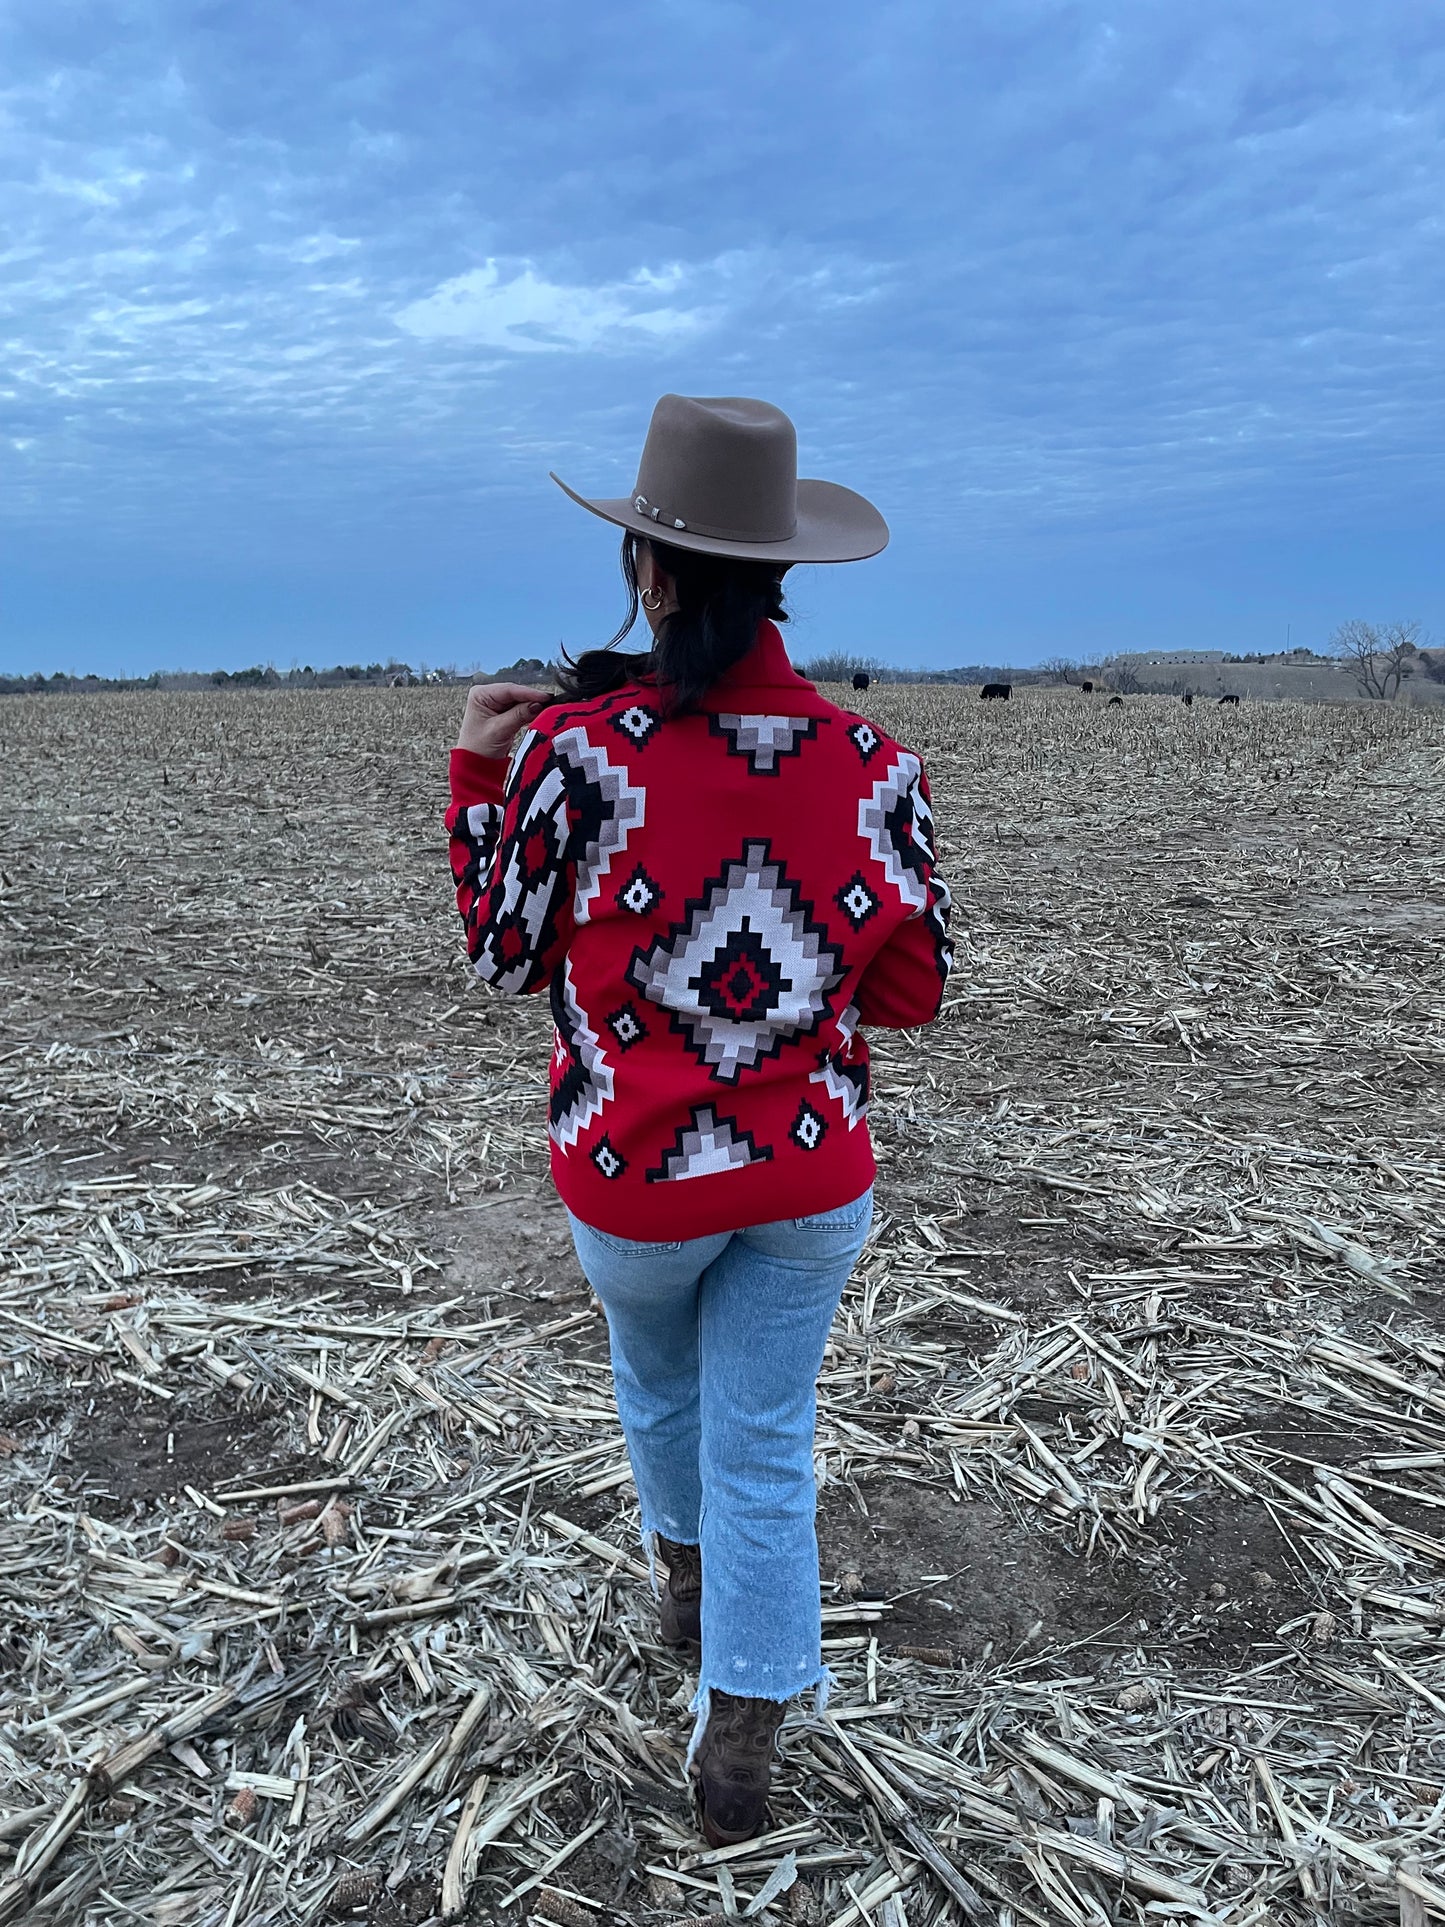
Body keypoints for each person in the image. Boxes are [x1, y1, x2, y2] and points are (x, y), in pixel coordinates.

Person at [445, 394, 952, 1844]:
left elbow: (498, 955)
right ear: (785, 577)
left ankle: (683, 1588)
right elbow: (911, 994)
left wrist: (479, 772)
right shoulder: (875, 769)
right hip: (809, 1174)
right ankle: (744, 1723)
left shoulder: (575, 754)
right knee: (765, 1440)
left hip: (631, 1177)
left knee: (660, 1390)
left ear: (647, 572)